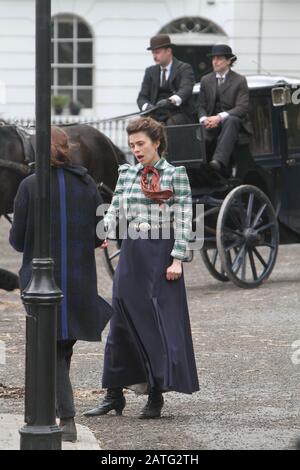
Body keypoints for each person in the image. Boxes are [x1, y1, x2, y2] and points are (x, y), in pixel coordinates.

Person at [84, 117, 199, 419]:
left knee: (153, 322)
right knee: (120, 318)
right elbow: (116, 206)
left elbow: (186, 218)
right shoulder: (126, 174)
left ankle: (155, 395)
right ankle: (113, 394)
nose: (135, 149)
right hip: (133, 250)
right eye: (132, 144)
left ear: (156, 143)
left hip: (161, 254)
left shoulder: (176, 175)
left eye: (141, 144)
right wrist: (105, 233)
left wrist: (177, 259)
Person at [9, 127, 113, 441]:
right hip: (79, 283)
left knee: (50, 350)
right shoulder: (87, 185)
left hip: (43, 284)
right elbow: (99, 236)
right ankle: (56, 410)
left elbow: (15, 241)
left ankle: (65, 418)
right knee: (61, 348)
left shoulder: (29, 185)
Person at [198, 44, 252, 175]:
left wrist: (220, 117)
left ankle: (219, 160)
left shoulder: (239, 80)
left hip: (231, 123)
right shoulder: (205, 80)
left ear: (229, 61)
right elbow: (200, 106)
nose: (215, 62)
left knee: (232, 120)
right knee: (196, 130)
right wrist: (204, 119)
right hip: (210, 123)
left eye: (219, 58)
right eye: (213, 59)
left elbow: (242, 107)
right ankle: (198, 166)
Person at [137, 34, 196, 125]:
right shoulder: (150, 71)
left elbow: (186, 89)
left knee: (171, 123)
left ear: (168, 51)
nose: (154, 56)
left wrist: (170, 101)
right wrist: (146, 106)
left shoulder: (184, 68)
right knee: (139, 125)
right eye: (153, 53)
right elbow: (142, 97)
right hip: (155, 114)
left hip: (179, 113)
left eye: (157, 52)